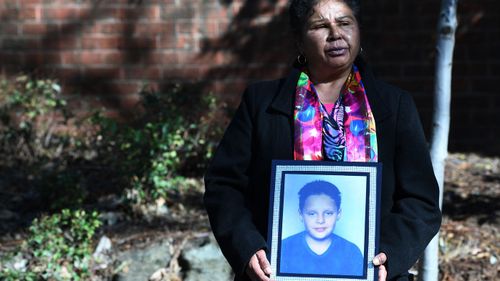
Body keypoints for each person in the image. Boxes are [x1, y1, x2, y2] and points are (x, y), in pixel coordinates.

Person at [204, 0, 442, 280]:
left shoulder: (394, 105)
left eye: (345, 23)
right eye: (320, 26)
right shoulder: (261, 102)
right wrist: (247, 247)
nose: (336, 34)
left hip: (370, 272)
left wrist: (390, 253)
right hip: (278, 272)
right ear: (300, 40)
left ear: (358, 30)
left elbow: (421, 200)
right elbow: (224, 185)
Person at [280, 180, 363, 276]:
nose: (320, 220)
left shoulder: (351, 252)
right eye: (312, 213)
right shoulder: (284, 248)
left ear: (338, 214)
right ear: (301, 215)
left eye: (328, 213)